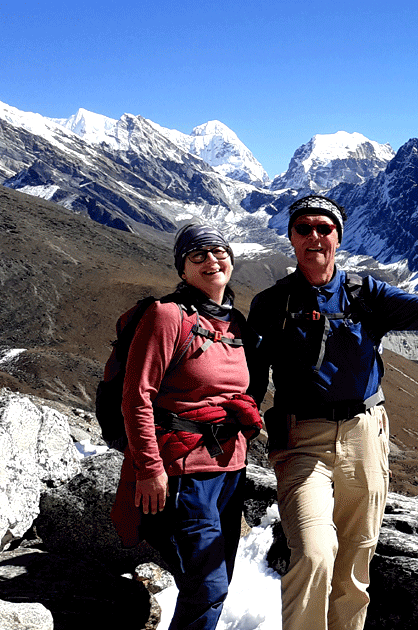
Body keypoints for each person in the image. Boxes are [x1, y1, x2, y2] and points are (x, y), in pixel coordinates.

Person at [247, 195, 418, 630]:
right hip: (301, 441)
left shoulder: (367, 293)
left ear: (338, 237)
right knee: (312, 552)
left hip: (364, 436)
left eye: (324, 229)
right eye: (304, 228)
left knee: (354, 563)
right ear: (290, 237)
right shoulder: (272, 305)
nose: (314, 237)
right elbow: (250, 381)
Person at [118, 224, 261, 630]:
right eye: (198, 255)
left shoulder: (235, 322)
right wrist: (149, 469)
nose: (211, 261)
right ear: (183, 270)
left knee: (217, 580)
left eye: (218, 251)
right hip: (183, 472)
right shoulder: (167, 316)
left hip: (230, 470)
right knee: (208, 585)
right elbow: (136, 398)